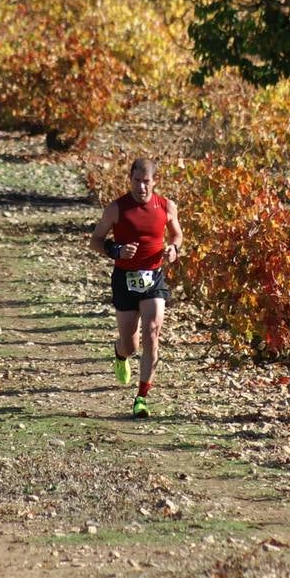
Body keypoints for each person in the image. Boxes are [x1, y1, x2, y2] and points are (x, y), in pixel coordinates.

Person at [89, 158, 183, 418]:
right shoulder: (116, 208)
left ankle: (141, 397)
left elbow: (177, 234)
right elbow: (95, 241)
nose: (141, 187)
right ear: (129, 180)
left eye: (146, 182)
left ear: (155, 181)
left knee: (152, 333)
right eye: (136, 181)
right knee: (130, 345)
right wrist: (115, 249)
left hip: (153, 278)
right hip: (125, 279)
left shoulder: (166, 206)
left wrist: (173, 248)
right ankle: (120, 353)